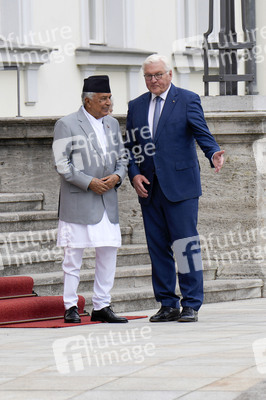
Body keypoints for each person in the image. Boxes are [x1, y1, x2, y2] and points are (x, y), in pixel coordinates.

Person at [125, 54, 224, 323]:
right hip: (149, 188)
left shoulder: (188, 99)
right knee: (158, 248)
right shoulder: (135, 106)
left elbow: (202, 132)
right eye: (148, 76)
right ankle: (168, 303)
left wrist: (213, 152)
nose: (154, 80)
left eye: (158, 74)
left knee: (185, 246)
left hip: (181, 187)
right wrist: (134, 175)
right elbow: (131, 146)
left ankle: (191, 303)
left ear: (170, 74)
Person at [52, 75, 128, 324]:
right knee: (73, 256)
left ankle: (102, 305)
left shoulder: (113, 124)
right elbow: (62, 165)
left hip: (107, 199)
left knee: (108, 253)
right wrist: (89, 182)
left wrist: (117, 176)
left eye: (109, 98)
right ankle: (70, 305)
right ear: (88, 101)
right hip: (80, 200)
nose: (109, 103)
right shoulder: (66, 124)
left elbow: (123, 157)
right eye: (103, 99)